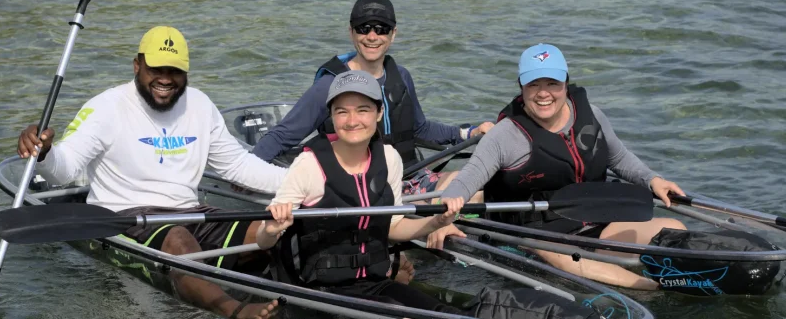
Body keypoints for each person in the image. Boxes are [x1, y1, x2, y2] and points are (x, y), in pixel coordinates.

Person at [254, 70, 605, 319]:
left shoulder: (388, 159)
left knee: (446, 313)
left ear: (378, 114)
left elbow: (391, 227)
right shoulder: (308, 164)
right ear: (331, 117)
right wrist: (274, 225)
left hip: (376, 283)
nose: (352, 120)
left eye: (362, 110)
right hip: (323, 295)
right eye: (341, 111)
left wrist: (435, 221)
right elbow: (265, 241)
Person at [17, 26, 283, 319]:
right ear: (137, 66)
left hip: (192, 212)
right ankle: (235, 311)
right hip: (126, 216)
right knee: (179, 239)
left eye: (175, 70)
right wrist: (44, 152)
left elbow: (239, 166)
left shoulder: (200, 105)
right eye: (156, 68)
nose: (165, 79)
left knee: (273, 227)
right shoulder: (106, 107)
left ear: (186, 72)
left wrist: (308, 181)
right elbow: (64, 170)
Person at [434, 43, 689, 290]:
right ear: (521, 87)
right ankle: (649, 288)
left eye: (552, 84)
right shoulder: (505, 135)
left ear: (566, 84)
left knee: (674, 230)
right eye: (534, 84)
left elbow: (619, 158)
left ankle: (668, 276)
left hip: (596, 222)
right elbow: (467, 179)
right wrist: (444, 214)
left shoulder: (593, 116)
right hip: (535, 237)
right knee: (547, 246)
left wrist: (653, 180)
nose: (543, 93)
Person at [249, 0, 493, 202]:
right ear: (352, 32)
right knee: (463, 198)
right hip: (359, 187)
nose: (372, 36)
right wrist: (248, 173)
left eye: (381, 29)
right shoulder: (330, 85)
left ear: (393, 34)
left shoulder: (402, 77)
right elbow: (283, 135)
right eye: (364, 28)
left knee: (485, 184)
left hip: (409, 175)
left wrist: (468, 133)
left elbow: (420, 128)